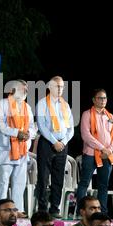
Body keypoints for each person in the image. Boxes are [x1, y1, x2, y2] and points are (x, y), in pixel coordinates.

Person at [0, 80, 35, 218]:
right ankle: (1, 210)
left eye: (26, 89)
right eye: (23, 89)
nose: (25, 91)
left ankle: (17, 210)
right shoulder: (3, 104)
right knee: (4, 181)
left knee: (19, 181)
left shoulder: (27, 107)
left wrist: (29, 134)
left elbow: (31, 126)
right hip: (6, 148)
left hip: (22, 149)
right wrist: (17, 133)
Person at [36, 76, 74, 218]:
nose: (60, 89)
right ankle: (42, 209)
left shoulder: (66, 105)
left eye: (62, 87)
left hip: (62, 144)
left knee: (58, 178)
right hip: (47, 143)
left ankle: (55, 208)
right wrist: (54, 141)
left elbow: (71, 128)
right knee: (43, 178)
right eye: (57, 86)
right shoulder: (42, 103)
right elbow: (42, 126)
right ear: (50, 87)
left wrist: (63, 142)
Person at [76, 89, 113, 215]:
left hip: (106, 155)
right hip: (90, 154)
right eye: (100, 98)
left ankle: (102, 213)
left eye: (104, 98)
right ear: (94, 100)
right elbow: (86, 135)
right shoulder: (87, 114)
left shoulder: (110, 116)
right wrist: (102, 148)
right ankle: (81, 211)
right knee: (84, 183)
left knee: (103, 185)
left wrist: (108, 150)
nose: (103, 100)